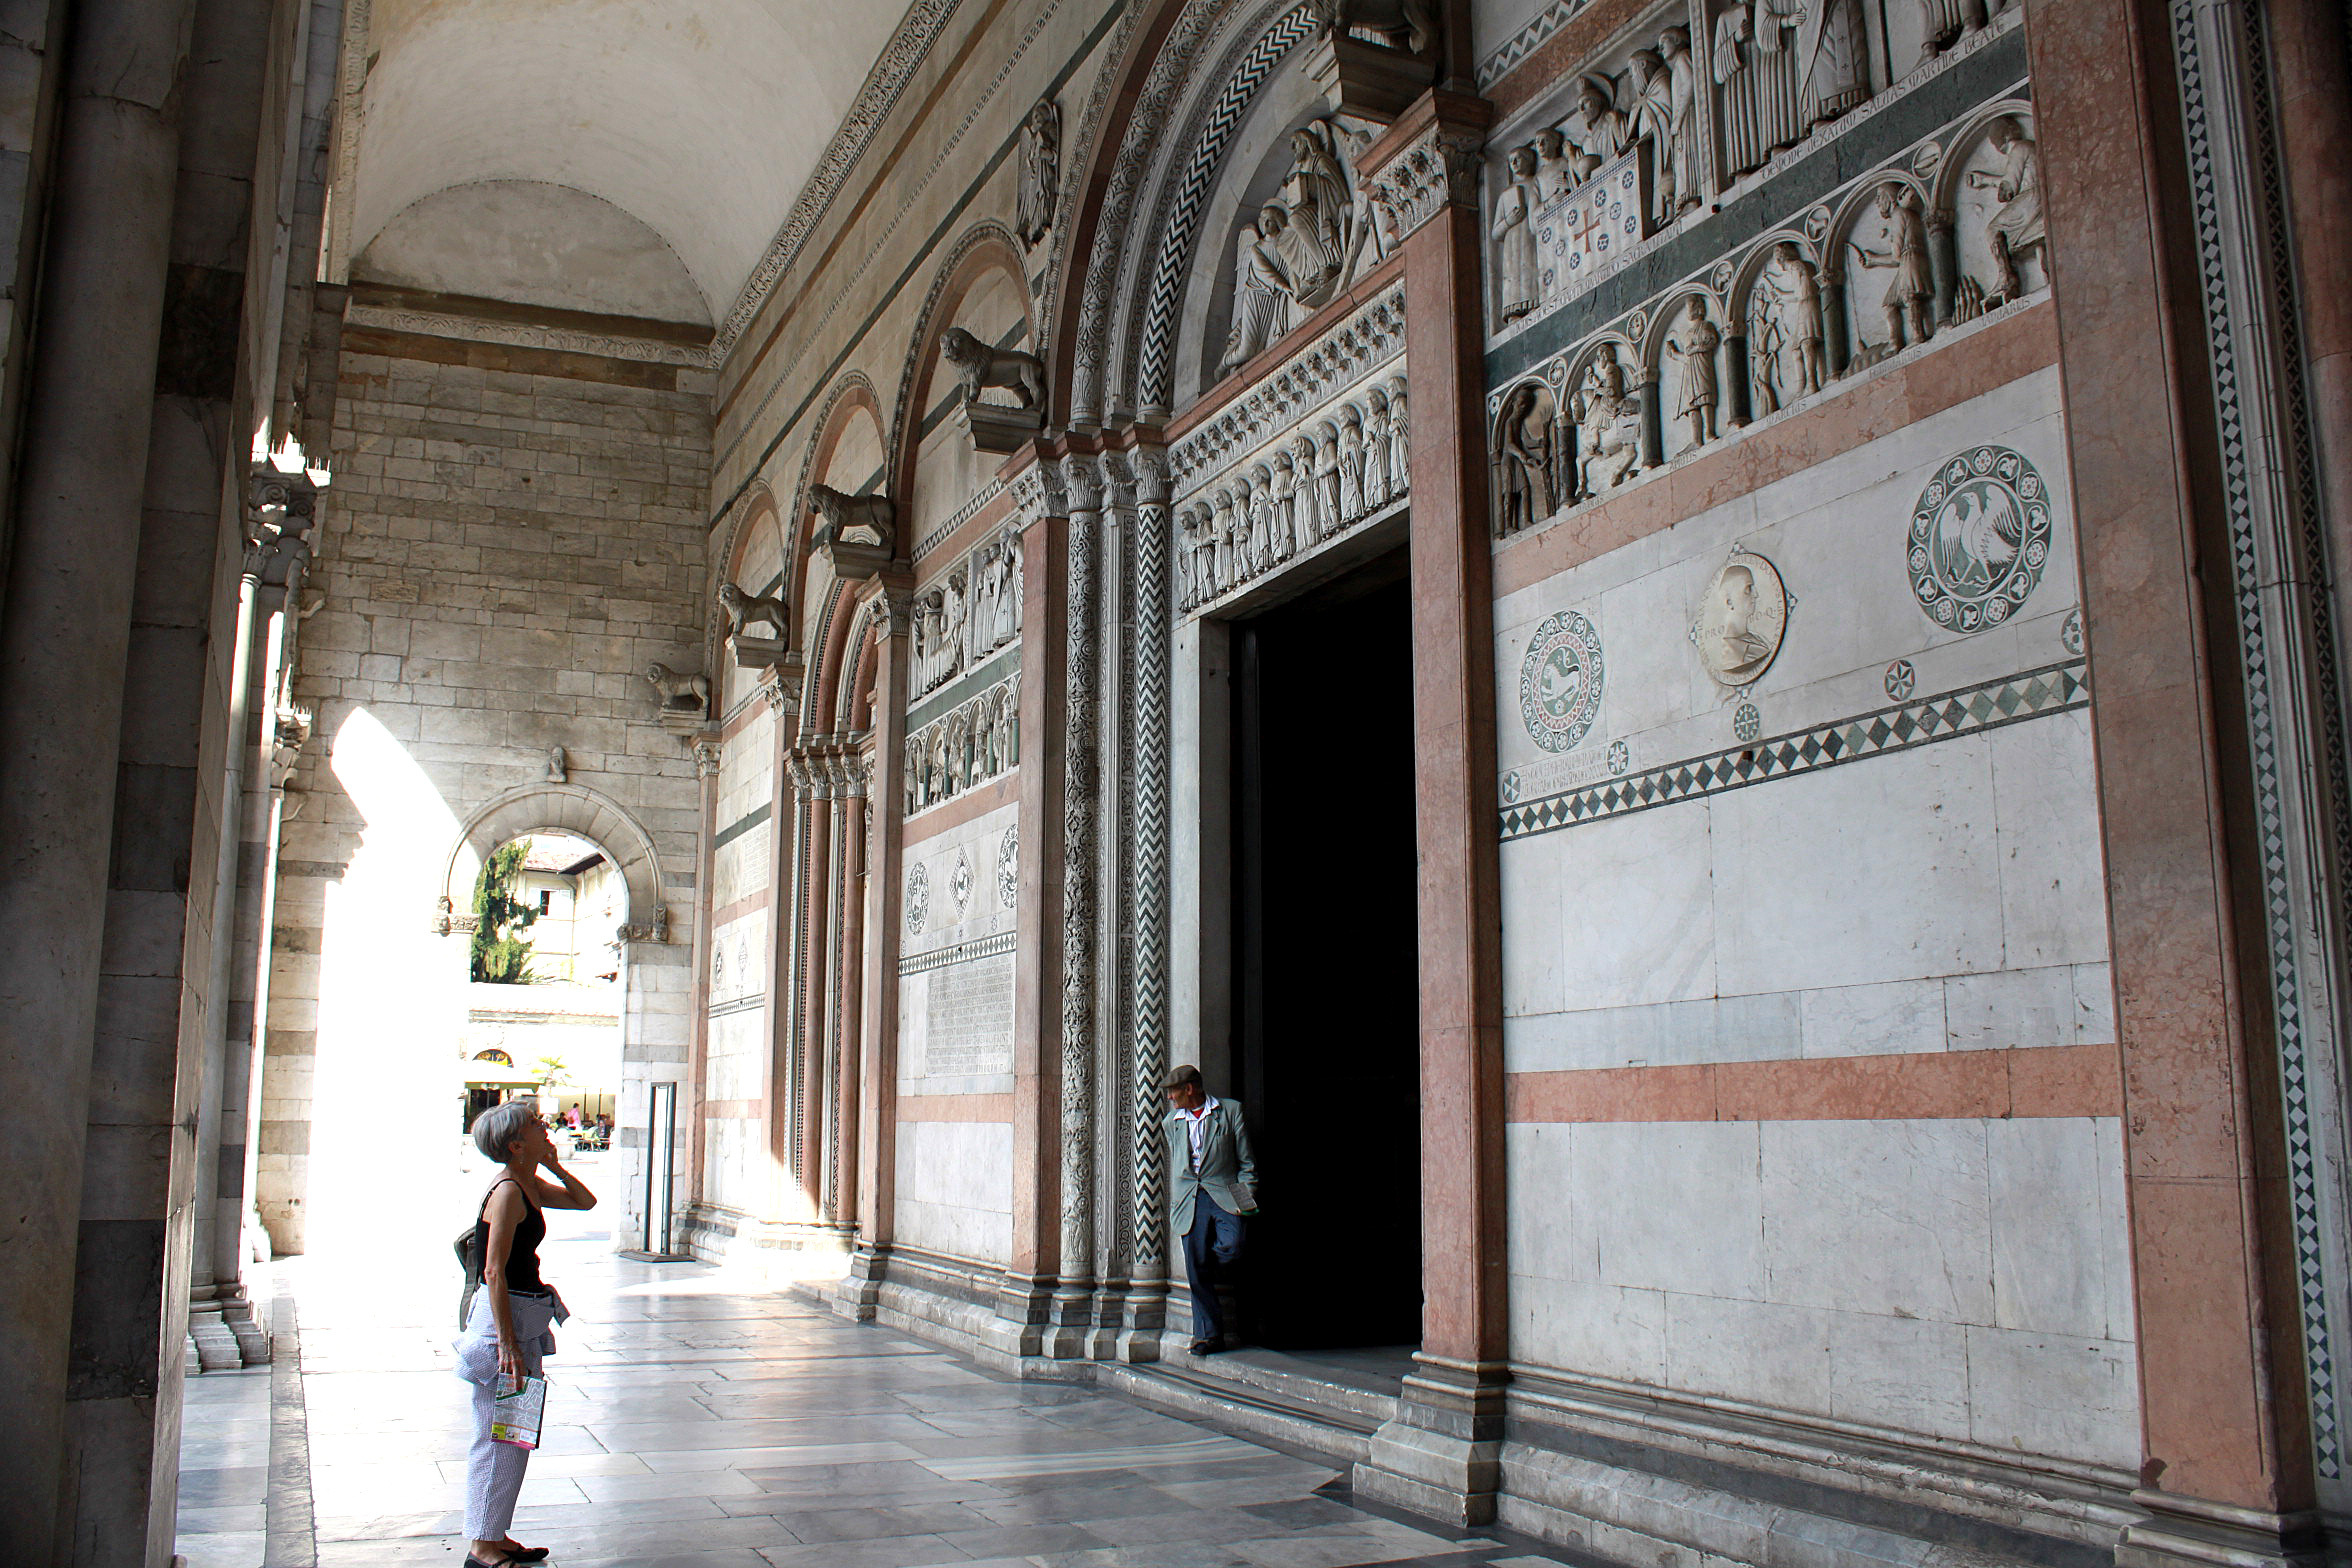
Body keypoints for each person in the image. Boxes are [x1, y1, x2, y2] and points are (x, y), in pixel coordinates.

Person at [455, 1099, 597, 1567]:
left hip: (520, 1320)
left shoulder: (526, 1183)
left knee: (514, 1435)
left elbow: (584, 1200)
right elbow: (494, 1272)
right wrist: (508, 1345)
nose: (546, 1128)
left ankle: (494, 1534)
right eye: (537, 1126)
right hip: (503, 1326)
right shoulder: (508, 1192)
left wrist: (555, 1164)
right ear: (516, 1144)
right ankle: (482, 1547)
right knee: (498, 1437)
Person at [1164, 1063, 1257, 1356]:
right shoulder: (1172, 1123)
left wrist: (1246, 1199)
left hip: (1225, 1195)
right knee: (1195, 1270)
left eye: (1173, 1091)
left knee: (1232, 1245)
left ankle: (1211, 1266)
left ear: (1189, 1089)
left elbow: (1246, 1163)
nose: (1170, 1097)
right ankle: (1208, 1336)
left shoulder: (1230, 1112)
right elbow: (1180, 1167)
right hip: (1190, 1201)